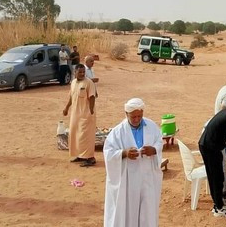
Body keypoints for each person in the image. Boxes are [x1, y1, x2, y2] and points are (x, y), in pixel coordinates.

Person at [103, 98, 163, 227]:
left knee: (147, 210)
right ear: (126, 114)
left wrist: (154, 150)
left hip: (147, 177)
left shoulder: (152, 126)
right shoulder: (118, 132)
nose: (136, 119)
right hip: (128, 180)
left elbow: (159, 141)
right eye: (133, 117)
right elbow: (108, 152)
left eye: (139, 116)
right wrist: (124, 153)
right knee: (128, 210)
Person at [63, 64, 97, 167]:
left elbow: (92, 97)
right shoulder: (73, 83)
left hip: (86, 114)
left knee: (85, 136)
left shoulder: (89, 83)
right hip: (75, 114)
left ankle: (90, 158)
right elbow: (71, 97)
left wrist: (91, 111)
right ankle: (80, 155)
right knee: (75, 135)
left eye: (83, 72)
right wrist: (66, 108)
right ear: (75, 72)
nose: (82, 74)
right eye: (80, 72)